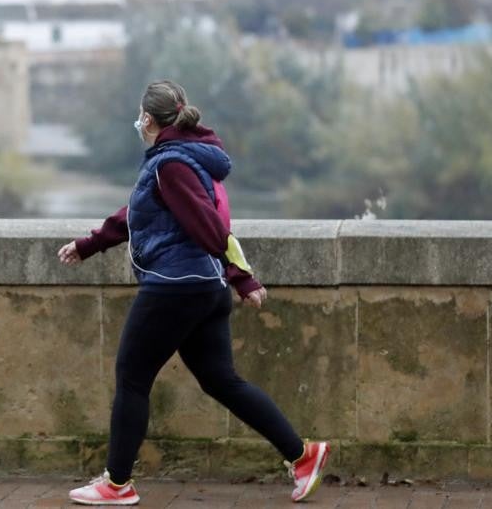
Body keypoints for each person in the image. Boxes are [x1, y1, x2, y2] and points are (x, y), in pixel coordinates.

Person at [57, 80, 330, 506]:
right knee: (221, 380)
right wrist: (90, 244)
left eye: (139, 114)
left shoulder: (171, 166)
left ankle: (116, 484)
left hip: (176, 287)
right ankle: (302, 455)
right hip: (204, 287)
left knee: (132, 378)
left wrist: (242, 276)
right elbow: (139, 214)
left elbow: (207, 224)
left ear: (148, 118)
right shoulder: (183, 159)